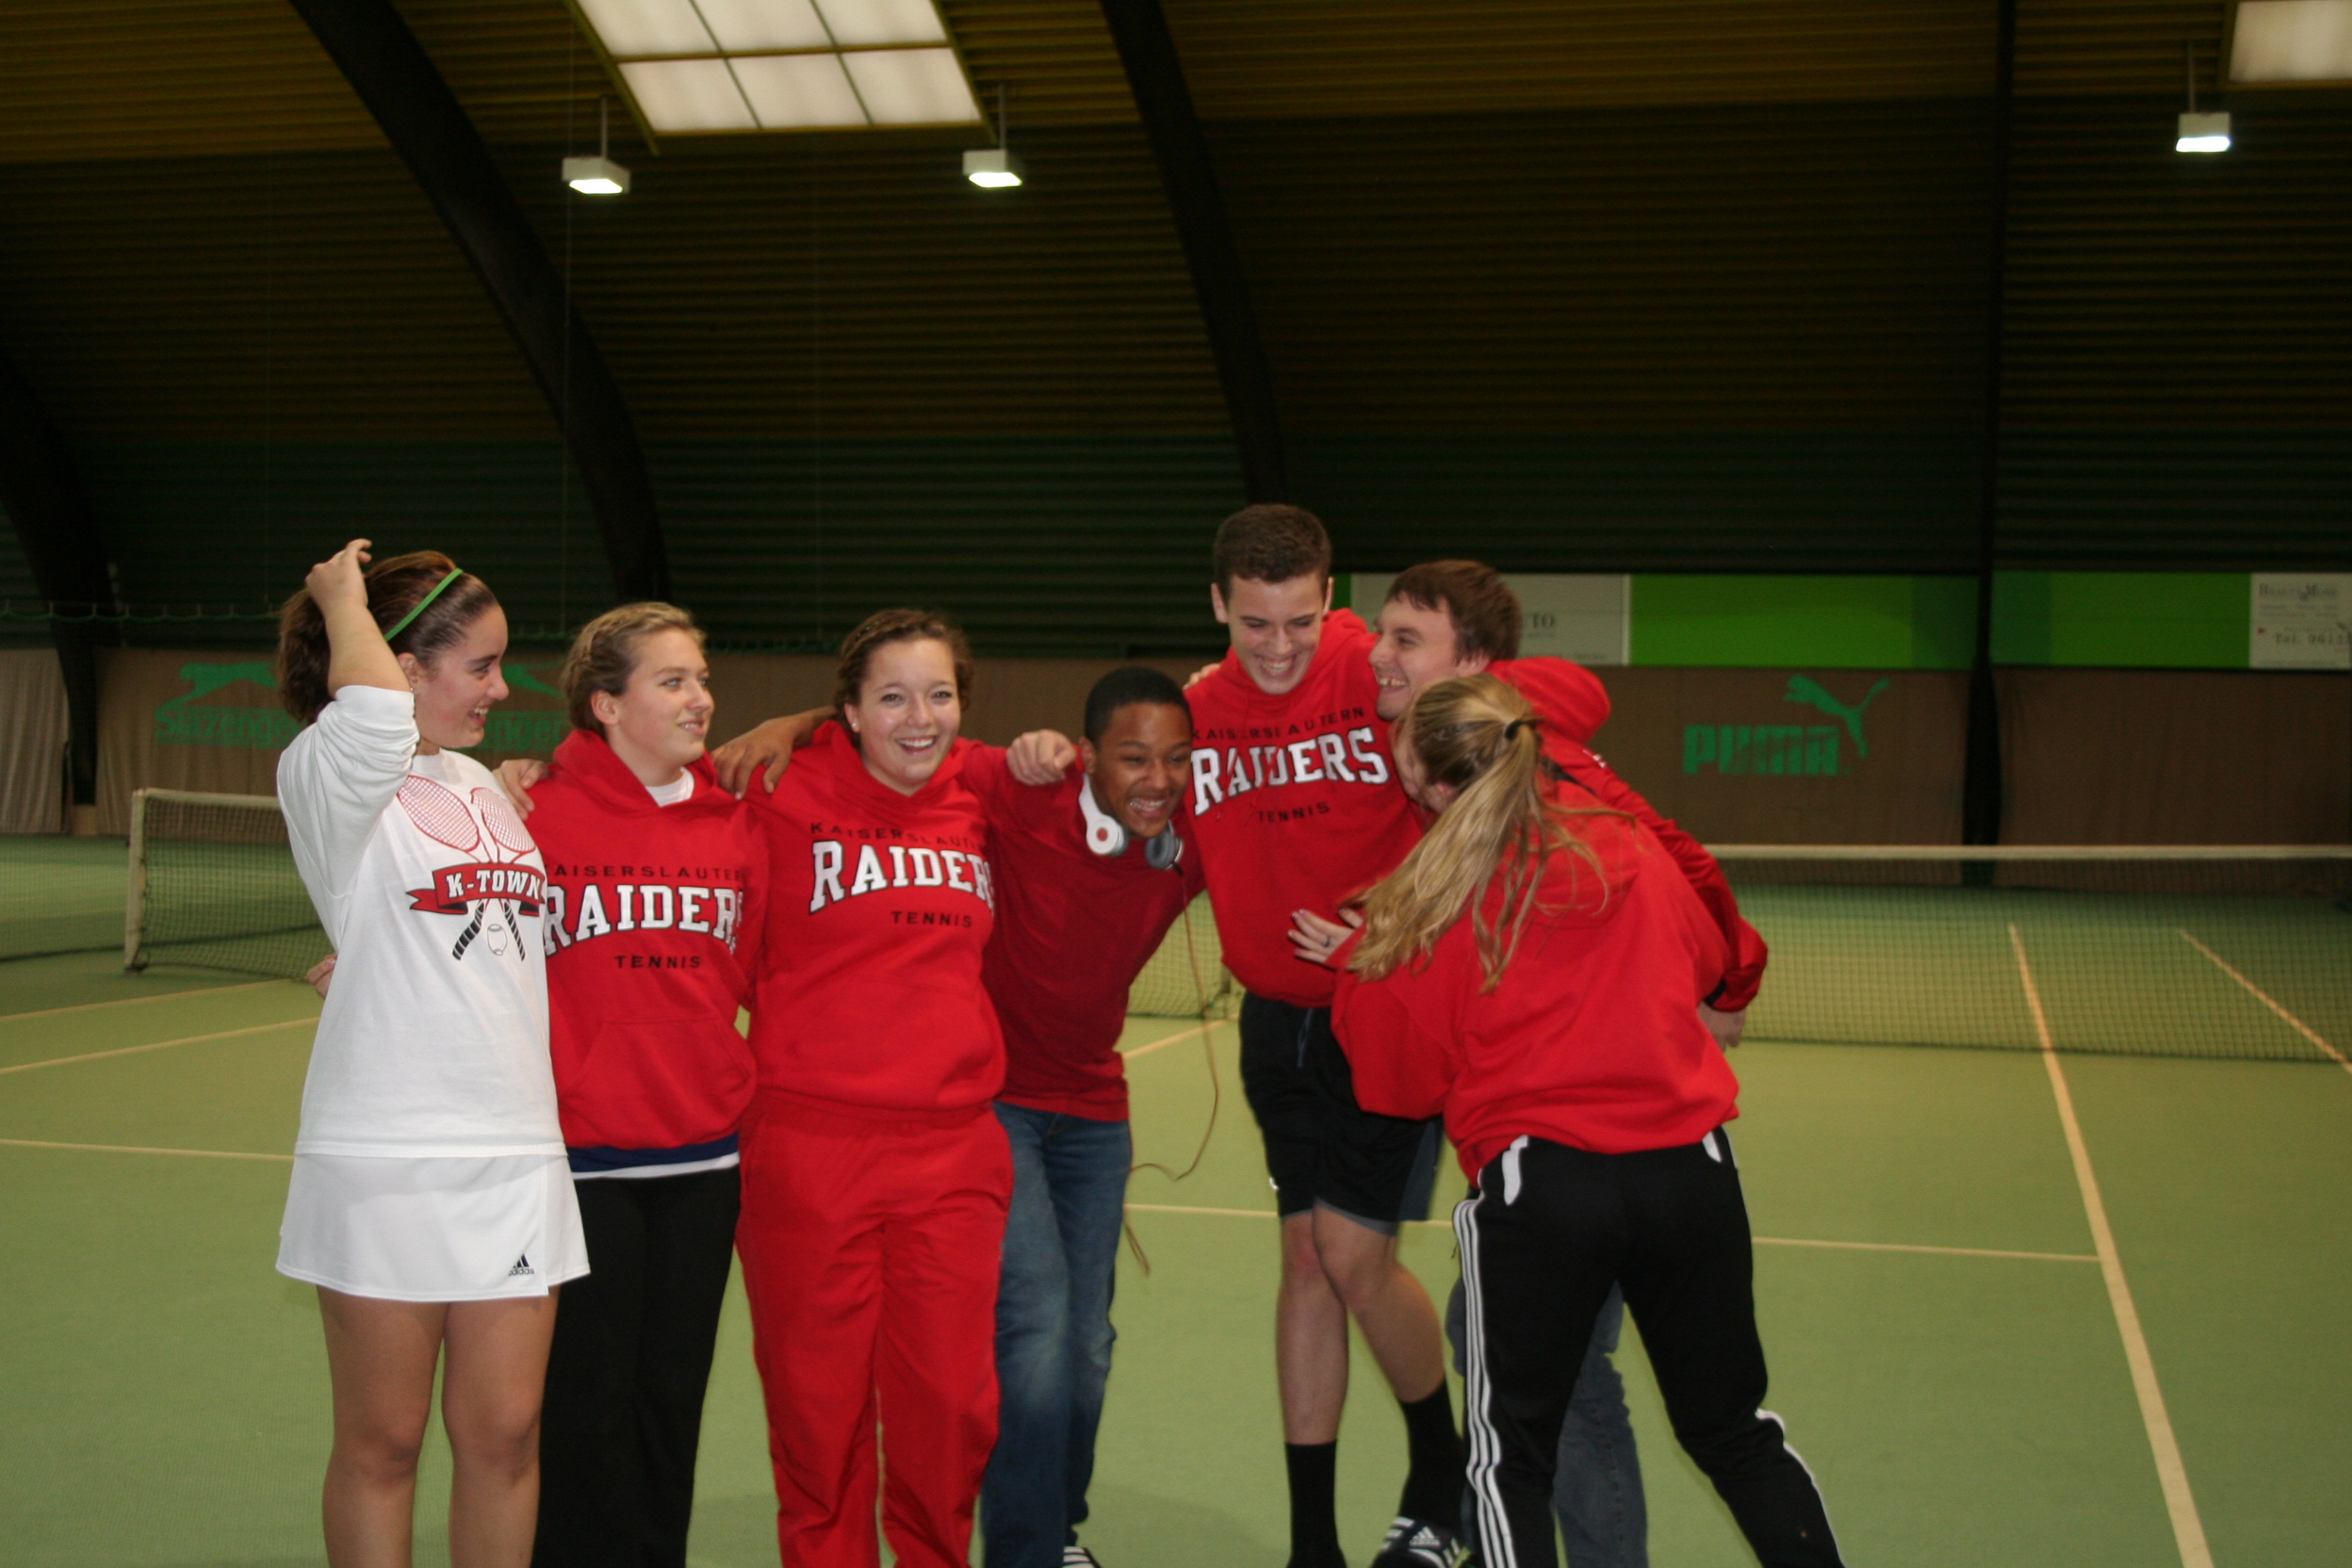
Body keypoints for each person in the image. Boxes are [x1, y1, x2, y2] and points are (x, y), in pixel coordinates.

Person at [1316, 560, 1773, 1568]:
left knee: (1544, 1392)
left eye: (1405, 639)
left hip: (1573, 1147)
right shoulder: (1484, 753)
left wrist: (1730, 978)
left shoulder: (1547, 763)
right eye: (1378, 632)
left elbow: (1679, 857)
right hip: (1631, 1153)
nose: (1376, 656)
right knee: (1583, 1377)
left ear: (1477, 670)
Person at [713, 666, 1208, 1568]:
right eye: (1134, 757)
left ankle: (1052, 1529)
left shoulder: (1182, 833)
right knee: (1032, 1329)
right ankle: (1027, 1550)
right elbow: (894, 723)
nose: (1157, 778)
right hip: (989, 1103)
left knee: (1081, 1346)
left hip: (1091, 1108)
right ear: (1087, 756)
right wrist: (795, 721)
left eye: (1175, 759)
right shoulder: (1016, 785)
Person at [273, 539, 584, 1568]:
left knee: (505, 1434)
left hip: (514, 1152)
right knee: (385, 1442)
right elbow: (370, 717)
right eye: (480, 665)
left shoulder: (480, 785)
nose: (502, 687)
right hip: (388, 1156)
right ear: (402, 665)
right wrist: (341, 598)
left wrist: (371, 963)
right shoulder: (328, 769)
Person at [735, 609, 1011, 1568]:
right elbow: (648, 794)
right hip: (809, 1150)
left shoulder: (982, 787)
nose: (918, 718)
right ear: (847, 711)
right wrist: (528, 776)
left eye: (938, 694)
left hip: (954, 1153)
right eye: (891, 697)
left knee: (952, 1403)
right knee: (817, 1409)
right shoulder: (775, 786)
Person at [525, 603, 762, 1568]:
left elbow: (752, 971)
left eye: (702, 678)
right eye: (673, 681)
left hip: (704, 1161)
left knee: (671, 1399)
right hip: (580, 1163)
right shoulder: (531, 814)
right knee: (582, 1406)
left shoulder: (740, 823)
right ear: (606, 704)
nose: (700, 698)